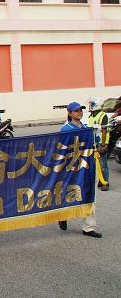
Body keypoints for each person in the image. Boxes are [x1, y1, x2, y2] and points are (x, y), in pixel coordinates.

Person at [57, 102, 102, 238]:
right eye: (76, 111)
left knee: (88, 193)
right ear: (70, 113)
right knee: (70, 194)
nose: (79, 113)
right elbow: (61, 150)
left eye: (80, 110)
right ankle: (63, 215)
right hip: (71, 168)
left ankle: (89, 227)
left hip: (86, 166)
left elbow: (95, 142)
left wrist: (97, 133)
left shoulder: (86, 128)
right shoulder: (66, 129)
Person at [87, 97, 110, 191]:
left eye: (92, 104)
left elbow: (104, 131)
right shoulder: (92, 116)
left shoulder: (102, 115)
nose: (90, 106)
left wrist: (104, 145)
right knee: (96, 164)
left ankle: (105, 182)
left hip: (100, 143)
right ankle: (100, 180)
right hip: (93, 142)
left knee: (103, 163)